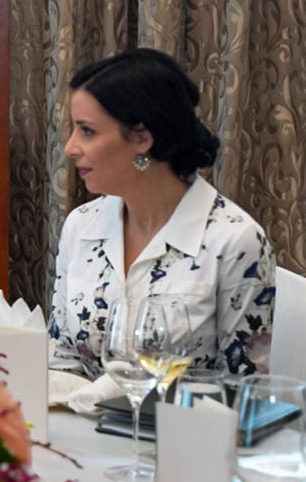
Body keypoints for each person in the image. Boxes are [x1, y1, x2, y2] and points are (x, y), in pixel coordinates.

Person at [49, 48, 275, 376]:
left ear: (142, 137)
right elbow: (62, 359)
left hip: (185, 427)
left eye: (87, 131)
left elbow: (242, 389)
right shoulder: (80, 225)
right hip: (81, 425)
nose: (69, 148)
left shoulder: (236, 241)